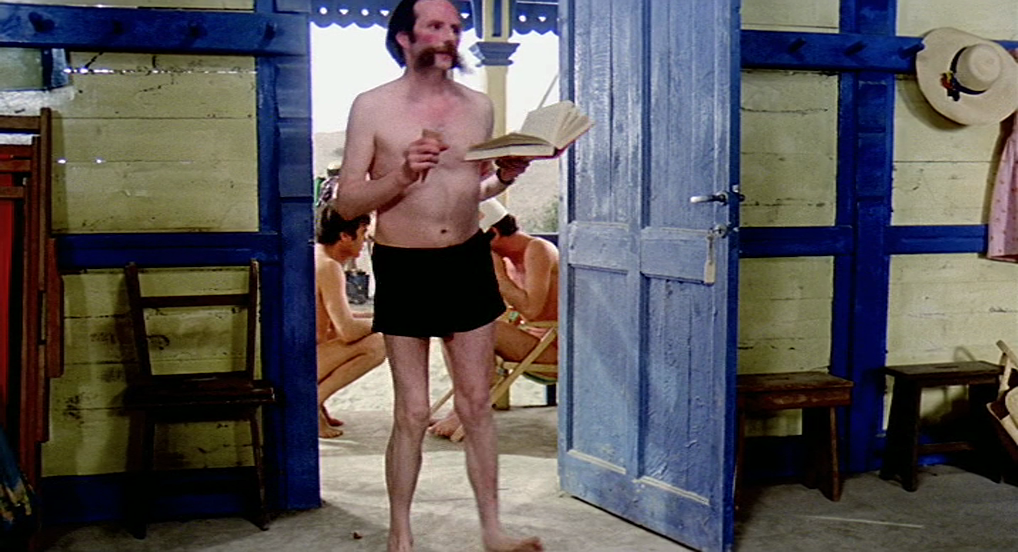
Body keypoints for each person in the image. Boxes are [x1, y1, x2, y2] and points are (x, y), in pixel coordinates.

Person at [331, 1, 541, 550]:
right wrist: (402, 174)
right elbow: (347, 203)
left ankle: (493, 530)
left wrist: (504, 177)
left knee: (475, 403)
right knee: (414, 410)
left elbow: (472, 190)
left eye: (455, 28)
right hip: (405, 265)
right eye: (435, 27)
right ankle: (400, 535)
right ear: (404, 37)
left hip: (467, 260)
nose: (449, 37)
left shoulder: (478, 107)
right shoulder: (372, 106)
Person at [429, 199, 559, 439]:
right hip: (532, 342)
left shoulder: (537, 249)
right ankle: (464, 403)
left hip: (553, 348)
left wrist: (498, 276)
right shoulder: (510, 259)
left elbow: (531, 311)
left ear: (495, 233)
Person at [314, 190, 386, 439]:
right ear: (345, 236)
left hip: (299, 357)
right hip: (302, 363)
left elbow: (334, 319)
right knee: (378, 343)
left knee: (370, 332)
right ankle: (312, 402)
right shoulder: (328, 266)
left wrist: (377, 316)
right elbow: (347, 331)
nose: (364, 242)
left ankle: (318, 404)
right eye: (363, 233)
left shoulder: (317, 256)